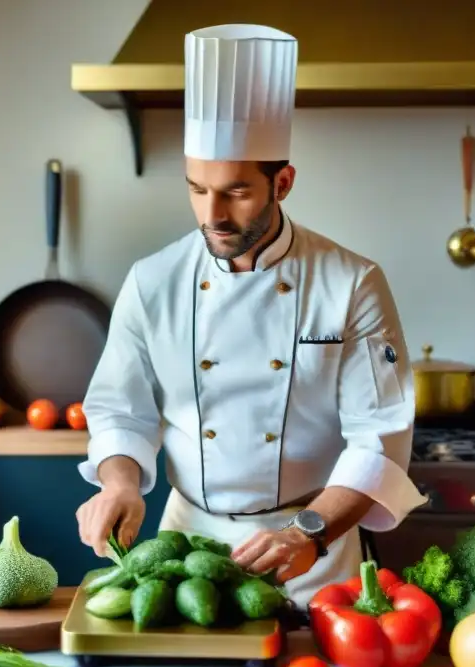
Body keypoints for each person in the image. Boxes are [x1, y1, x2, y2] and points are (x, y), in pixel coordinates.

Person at [75, 23, 426, 607]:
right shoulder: (152, 281)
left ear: (281, 183)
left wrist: (306, 534)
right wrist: (120, 482)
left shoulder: (351, 282)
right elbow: (120, 409)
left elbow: (379, 441)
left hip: (315, 550)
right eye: (196, 188)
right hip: (183, 555)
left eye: (235, 192)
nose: (211, 214)